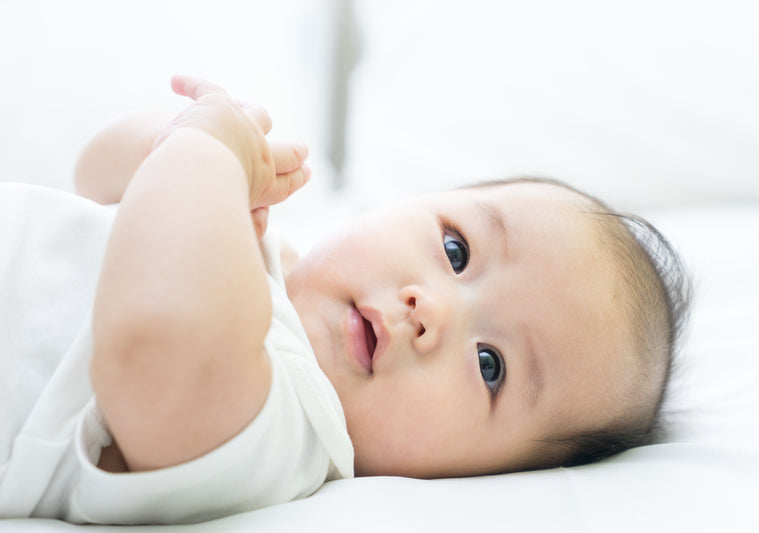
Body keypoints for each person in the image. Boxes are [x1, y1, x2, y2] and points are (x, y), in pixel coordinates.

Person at [0, 76, 690, 524]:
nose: (433, 312)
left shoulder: (286, 424)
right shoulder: (252, 248)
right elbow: (94, 178)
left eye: (491, 365)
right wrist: (170, 142)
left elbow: (156, 354)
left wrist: (202, 153)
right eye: (456, 251)